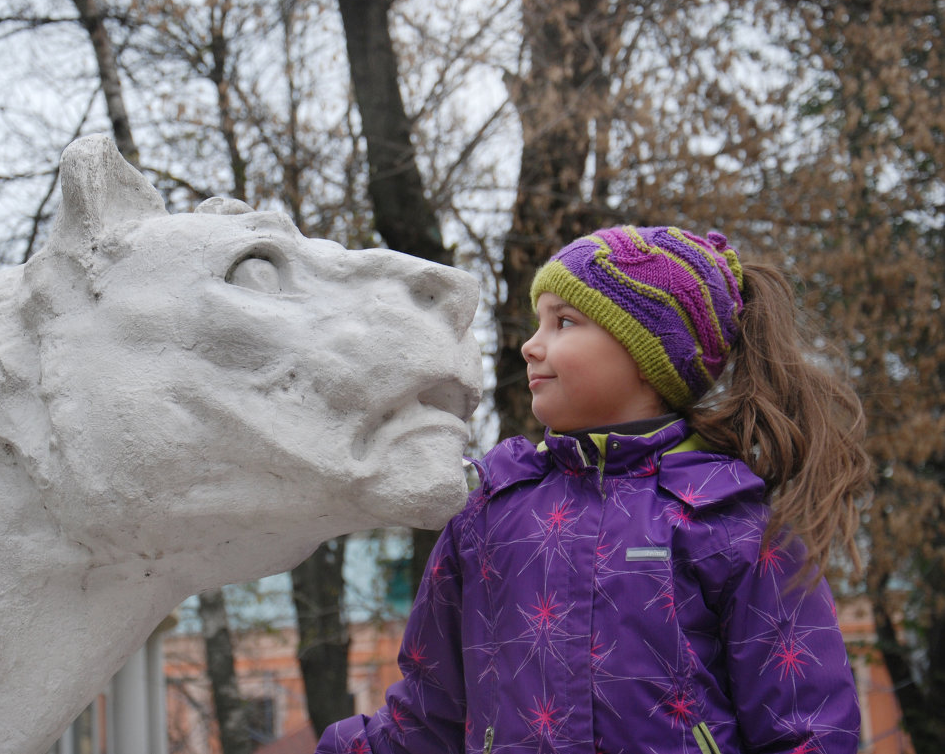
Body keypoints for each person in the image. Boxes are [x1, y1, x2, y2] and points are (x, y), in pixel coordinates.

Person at [316, 226, 869, 754]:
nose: (532, 346)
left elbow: (808, 727)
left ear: (651, 353)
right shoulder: (490, 513)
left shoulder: (728, 522)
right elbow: (426, 717)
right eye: (538, 323)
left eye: (565, 322)